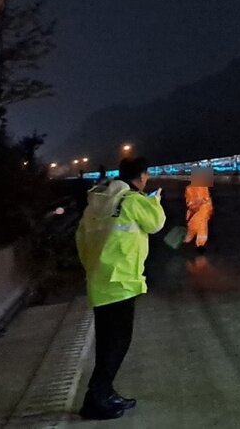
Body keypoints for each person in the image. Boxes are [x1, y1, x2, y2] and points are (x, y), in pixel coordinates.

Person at [75, 157, 166, 420]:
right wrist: (154, 200)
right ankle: (96, 400)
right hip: (122, 282)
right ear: (142, 176)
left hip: (100, 281)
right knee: (116, 344)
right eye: (146, 175)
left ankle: (105, 392)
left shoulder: (96, 203)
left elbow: (81, 239)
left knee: (107, 343)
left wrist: (93, 268)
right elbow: (156, 224)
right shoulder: (133, 200)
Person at [183, 167, 213, 251]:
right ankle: (196, 242)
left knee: (199, 226)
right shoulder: (192, 188)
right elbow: (205, 199)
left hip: (201, 210)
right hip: (198, 210)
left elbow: (205, 199)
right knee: (197, 225)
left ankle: (197, 242)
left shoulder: (195, 188)